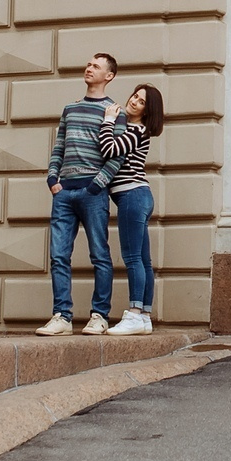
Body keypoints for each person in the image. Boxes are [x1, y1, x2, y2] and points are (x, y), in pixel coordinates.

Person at [39, 52, 118, 336]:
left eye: (96, 66)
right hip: (64, 191)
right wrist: (52, 178)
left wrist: (96, 185)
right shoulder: (70, 109)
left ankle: (100, 316)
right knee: (59, 255)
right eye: (88, 64)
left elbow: (116, 157)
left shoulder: (113, 112)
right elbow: (59, 146)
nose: (89, 68)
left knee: (99, 254)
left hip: (92, 191)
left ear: (108, 76)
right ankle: (62, 316)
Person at [93, 83, 164, 335]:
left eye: (142, 101)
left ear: (148, 110)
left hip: (132, 195)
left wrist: (108, 120)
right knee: (144, 260)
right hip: (139, 195)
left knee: (133, 258)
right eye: (135, 96)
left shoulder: (136, 130)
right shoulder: (135, 129)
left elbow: (109, 149)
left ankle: (134, 314)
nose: (134, 101)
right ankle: (144, 315)